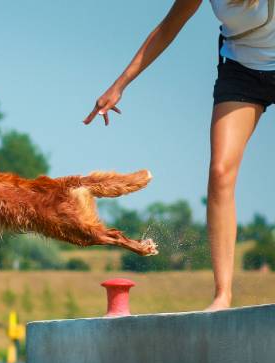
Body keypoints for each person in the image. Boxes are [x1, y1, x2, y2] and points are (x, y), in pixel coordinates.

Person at [84, 0, 274, 310]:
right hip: (242, 70)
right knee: (220, 173)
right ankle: (222, 295)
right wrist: (120, 85)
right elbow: (167, 28)